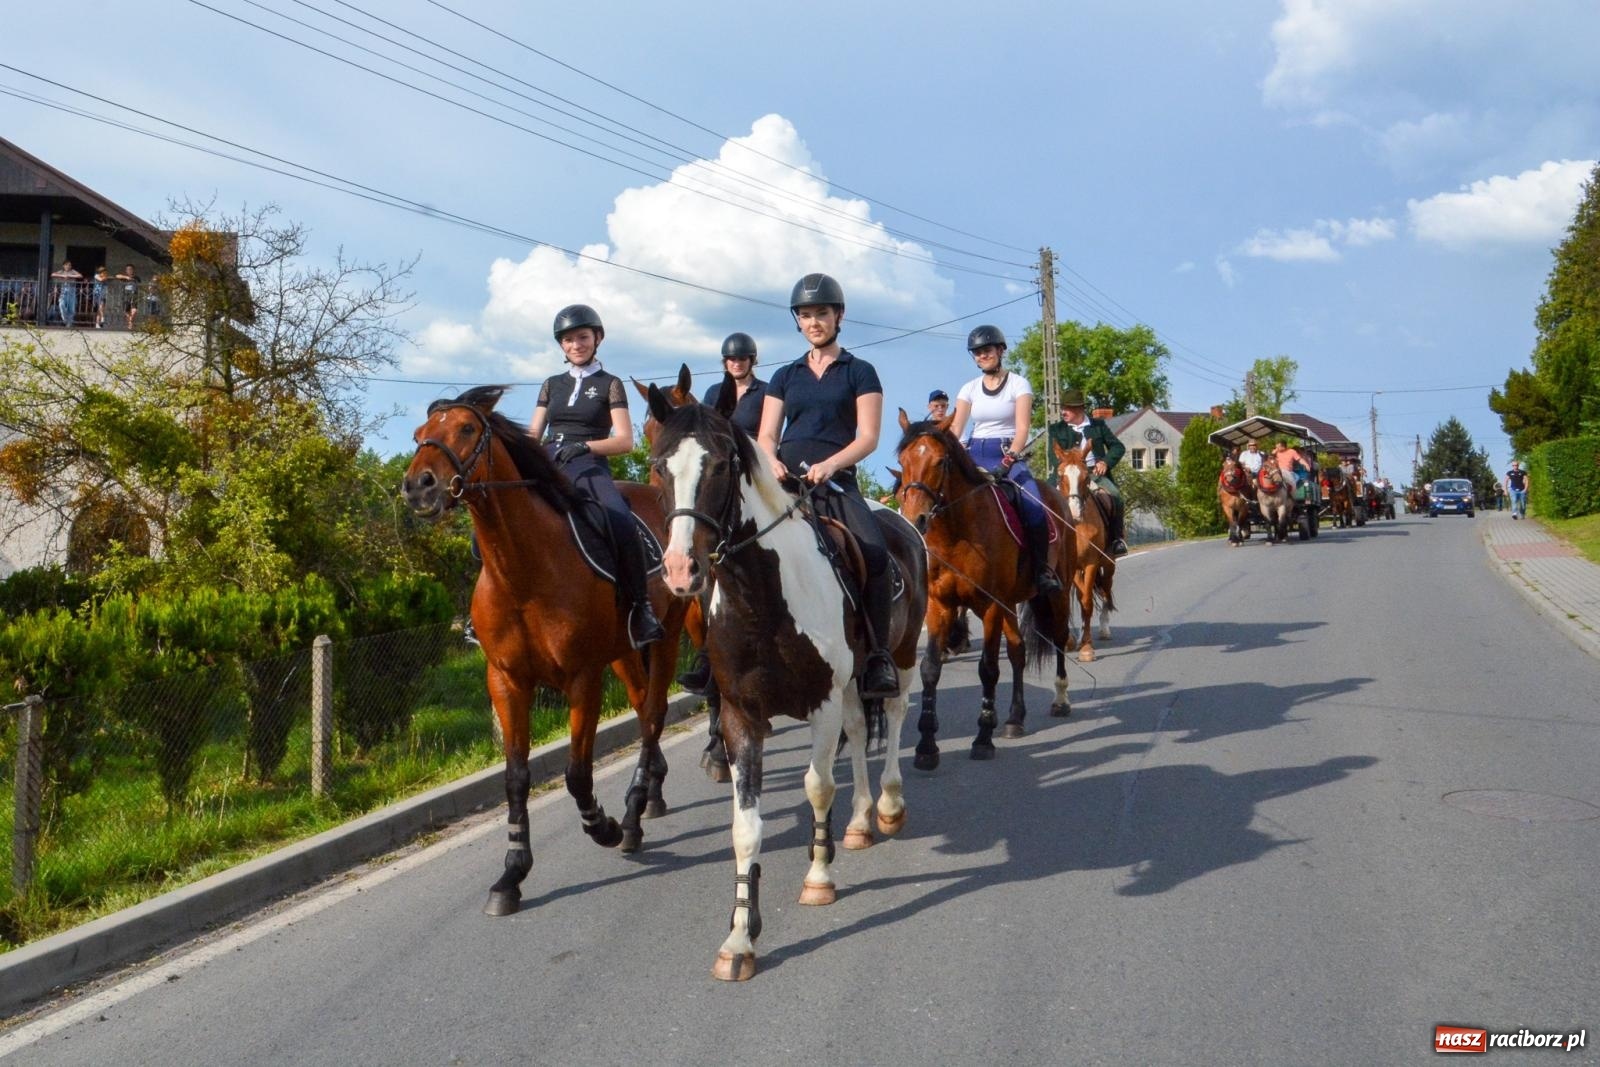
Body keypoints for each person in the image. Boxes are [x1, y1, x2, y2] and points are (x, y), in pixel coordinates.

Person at [758, 272, 898, 699]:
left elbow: (868, 437)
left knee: (874, 555)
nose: (813, 321)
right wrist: (772, 463)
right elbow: (766, 435)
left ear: (839, 316)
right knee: (736, 544)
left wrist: (831, 464)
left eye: (822, 313)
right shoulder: (784, 375)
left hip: (834, 483)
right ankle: (721, 654)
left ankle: (877, 657)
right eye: (805, 315)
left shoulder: (861, 371)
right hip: (785, 481)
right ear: (797, 321)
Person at [529, 303, 664, 649]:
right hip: (547, 461)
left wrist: (585, 447)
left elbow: (624, 440)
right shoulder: (551, 385)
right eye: (569, 339)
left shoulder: (610, 384)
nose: (577, 344)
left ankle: (641, 607)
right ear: (562, 345)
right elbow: (533, 433)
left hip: (588, 464)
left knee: (619, 520)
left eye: (583, 337)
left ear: (597, 338)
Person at [948, 324, 1060, 593]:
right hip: (973, 452)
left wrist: (1009, 460)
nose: (982, 356)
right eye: (976, 353)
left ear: (1000, 350)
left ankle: (1042, 569)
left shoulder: (1019, 384)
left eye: (986, 350)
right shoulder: (969, 389)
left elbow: (1022, 429)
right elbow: (955, 429)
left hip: (1006, 452)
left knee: (1033, 505)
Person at [1048, 388, 1128, 556]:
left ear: (1080, 409)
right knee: (1042, 499)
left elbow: (1118, 447)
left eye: (1067, 408)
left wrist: (1106, 462)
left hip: (1094, 475)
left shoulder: (1098, 425)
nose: (1063, 411)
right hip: (1067, 475)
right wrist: (1067, 468)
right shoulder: (1056, 429)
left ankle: (1116, 539)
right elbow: (1053, 455)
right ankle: (1047, 541)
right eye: (1062, 407)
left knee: (1115, 496)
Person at [701, 332, 766, 434]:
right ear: (725, 362)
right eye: (732, 359)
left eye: (742, 359)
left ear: (751, 361)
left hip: (754, 448)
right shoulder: (713, 392)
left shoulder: (766, 391)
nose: (737, 364)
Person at [50, 260, 82, 326]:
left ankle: (69, 324)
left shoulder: (72, 271)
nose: (68, 266)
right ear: (64, 266)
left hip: (72, 291)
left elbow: (80, 276)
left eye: (70, 265)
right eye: (67, 265)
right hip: (63, 290)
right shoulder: (62, 272)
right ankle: (65, 319)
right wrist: (62, 276)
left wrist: (70, 276)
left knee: (71, 309)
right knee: (61, 304)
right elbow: (52, 274)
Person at [116, 264, 141, 329]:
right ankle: (130, 324)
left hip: (134, 295)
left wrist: (131, 278)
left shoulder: (136, 277)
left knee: (134, 310)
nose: (129, 270)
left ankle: (130, 322)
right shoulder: (124, 278)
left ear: (133, 270)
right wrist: (126, 277)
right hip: (126, 296)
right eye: (128, 269)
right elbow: (117, 276)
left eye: (130, 269)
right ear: (126, 270)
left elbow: (138, 283)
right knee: (126, 311)